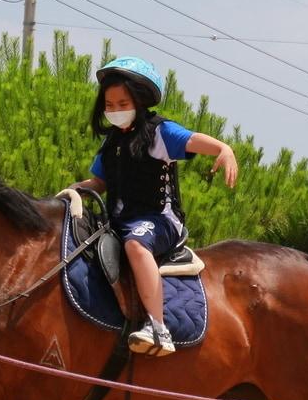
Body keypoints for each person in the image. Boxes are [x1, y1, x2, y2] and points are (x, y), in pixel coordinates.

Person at [63, 57, 238, 356]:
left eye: (122, 103)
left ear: (140, 100)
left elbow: (194, 140)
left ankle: (158, 327)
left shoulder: (160, 133)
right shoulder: (111, 143)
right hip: (119, 220)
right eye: (110, 104)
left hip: (158, 220)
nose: (115, 111)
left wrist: (224, 148)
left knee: (135, 246)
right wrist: (70, 191)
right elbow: (99, 183)